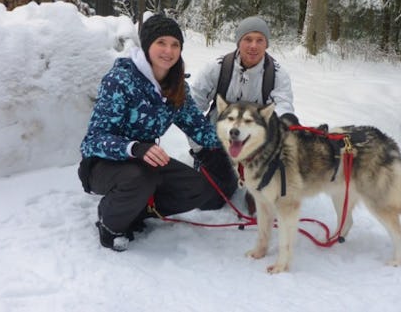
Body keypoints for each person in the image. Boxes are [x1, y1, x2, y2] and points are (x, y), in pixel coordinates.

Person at [77, 14, 225, 252]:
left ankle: (139, 211)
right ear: (147, 46)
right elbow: (94, 140)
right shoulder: (120, 80)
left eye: (175, 44)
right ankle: (111, 224)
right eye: (161, 43)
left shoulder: (176, 86)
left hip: (146, 161)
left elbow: (199, 128)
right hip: (103, 164)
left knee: (199, 188)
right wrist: (134, 147)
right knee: (139, 178)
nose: (169, 51)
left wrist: (240, 145)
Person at [190, 16, 296, 212]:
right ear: (239, 41)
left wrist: (285, 125)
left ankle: (256, 186)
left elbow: (283, 107)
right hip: (218, 140)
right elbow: (192, 108)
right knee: (209, 200)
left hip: (256, 144)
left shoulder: (277, 75)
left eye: (260, 40)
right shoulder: (217, 68)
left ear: (267, 44)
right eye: (248, 39)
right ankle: (218, 171)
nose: (253, 46)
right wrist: (200, 147)